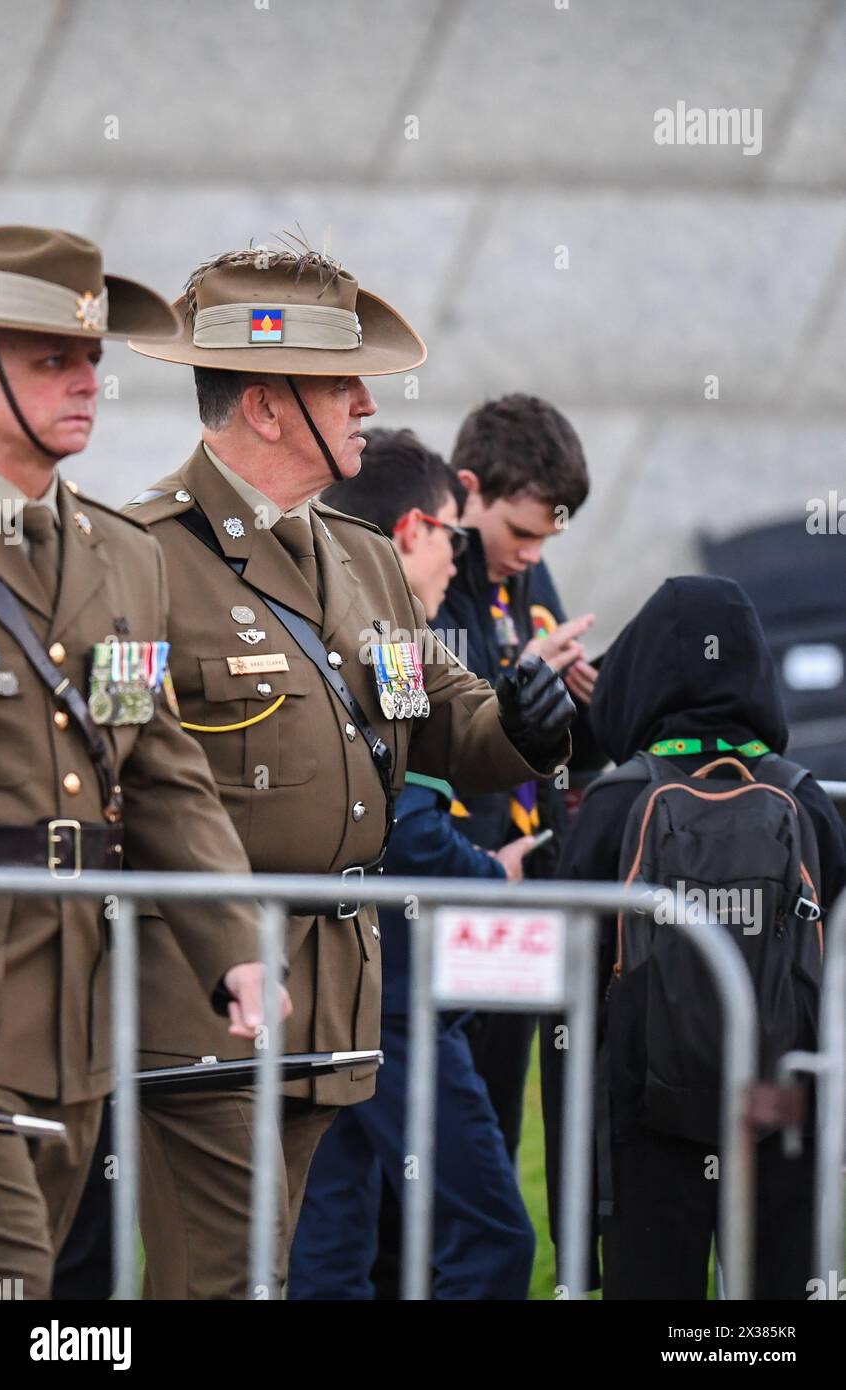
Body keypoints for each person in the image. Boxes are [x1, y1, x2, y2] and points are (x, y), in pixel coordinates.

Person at [120, 245, 577, 1295]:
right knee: (217, 1280)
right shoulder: (138, 554)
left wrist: (519, 721)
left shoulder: (362, 556)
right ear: (270, 408)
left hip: (339, 999)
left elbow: (434, 715)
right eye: (340, 383)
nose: (369, 401)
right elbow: (113, 772)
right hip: (211, 1006)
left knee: (320, 1270)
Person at [0, 224, 272, 1301]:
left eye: (92, 357)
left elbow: (155, 768)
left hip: (68, 1017)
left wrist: (235, 942)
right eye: (49, 357)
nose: (86, 381)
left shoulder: (124, 558)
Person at [288, 428, 537, 1299]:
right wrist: (496, 880)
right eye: (452, 536)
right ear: (409, 533)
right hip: (385, 995)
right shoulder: (390, 642)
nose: (458, 558)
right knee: (490, 1236)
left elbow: (407, 789)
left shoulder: (369, 638)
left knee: (333, 1241)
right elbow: (411, 825)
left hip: (339, 986)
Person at [560, 575, 846, 1298]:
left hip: (645, 1117)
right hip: (785, 1113)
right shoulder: (805, 797)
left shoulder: (617, 801)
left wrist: (576, 1216)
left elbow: (569, 1001)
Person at [436, 392, 598, 1164]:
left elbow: (559, 742)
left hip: (525, 885)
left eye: (548, 536)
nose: (534, 554)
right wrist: (521, 683)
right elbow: (427, 727)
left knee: (496, 1121)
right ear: (469, 489)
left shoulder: (530, 577)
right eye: (522, 532)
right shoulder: (425, 572)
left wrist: (591, 706)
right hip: (447, 884)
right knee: (435, 1137)